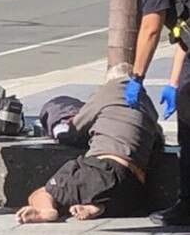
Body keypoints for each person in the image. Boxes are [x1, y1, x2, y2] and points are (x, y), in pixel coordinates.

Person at [16, 63, 163, 223]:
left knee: (42, 193)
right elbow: (158, 139)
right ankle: (98, 207)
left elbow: (75, 128)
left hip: (103, 169)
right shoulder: (148, 105)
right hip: (134, 184)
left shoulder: (108, 91)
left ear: (109, 80)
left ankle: (46, 210)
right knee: (108, 194)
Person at [121, 0, 190, 226]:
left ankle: (187, 208)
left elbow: (151, 27)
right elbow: (185, 38)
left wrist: (137, 77)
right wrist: (174, 83)